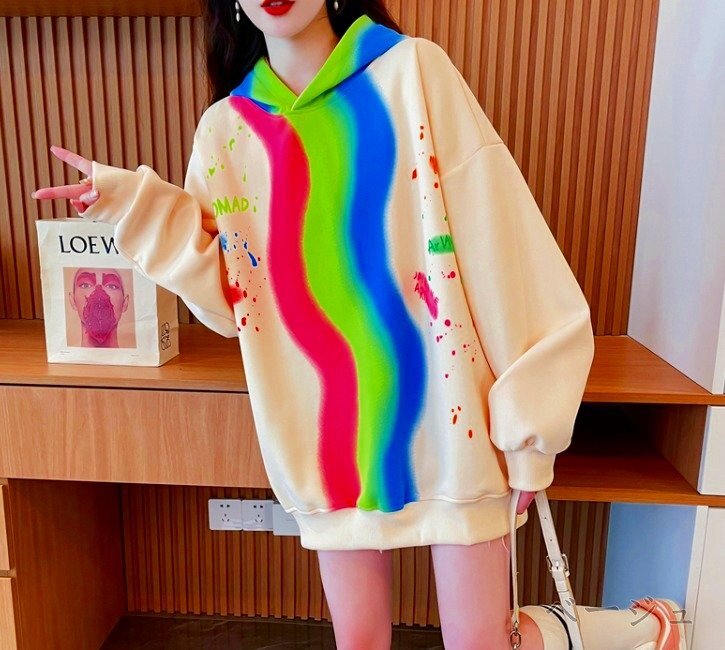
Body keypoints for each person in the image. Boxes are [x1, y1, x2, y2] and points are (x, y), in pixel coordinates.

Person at [32, 2, 684, 648]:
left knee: (480, 642)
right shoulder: (226, 131)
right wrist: (140, 210)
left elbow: (501, 243)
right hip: (325, 442)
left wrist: (528, 428)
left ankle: (635, 630)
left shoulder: (412, 73)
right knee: (360, 643)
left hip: (453, 422)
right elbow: (235, 303)